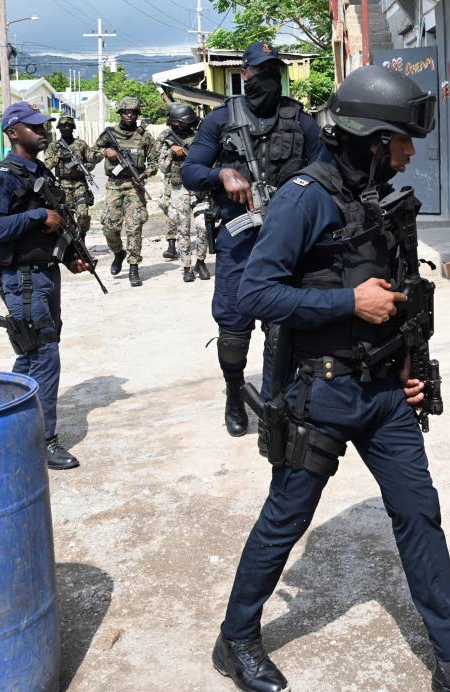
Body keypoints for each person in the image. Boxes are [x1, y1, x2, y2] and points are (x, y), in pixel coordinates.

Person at [211, 65, 450, 692]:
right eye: (400, 140)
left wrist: (411, 369)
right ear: (367, 137)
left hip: (387, 393)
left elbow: (401, 296)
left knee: (420, 514)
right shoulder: (305, 196)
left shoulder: (380, 196)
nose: (410, 153)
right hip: (322, 393)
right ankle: (237, 638)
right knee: (286, 518)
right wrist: (346, 303)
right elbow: (257, 291)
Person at [182, 41, 327, 437]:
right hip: (239, 240)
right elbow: (190, 170)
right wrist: (222, 176)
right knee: (233, 330)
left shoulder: (300, 120)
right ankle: (234, 393)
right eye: (259, 71)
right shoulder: (220, 120)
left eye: (273, 71)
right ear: (244, 73)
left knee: (282, 329)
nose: (266, 79)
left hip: (289, 243)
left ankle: (272, 407)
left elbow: (326, 172)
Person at [0, 102, 90, 470]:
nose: (42, 131)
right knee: (43, 355)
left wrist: (69, 255)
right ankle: (42, 442)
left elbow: (53, 225)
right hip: (22, 279)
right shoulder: (2, 176)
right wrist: (39, 215)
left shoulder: (38, 170)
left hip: (43, 274)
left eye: (44, 125)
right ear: (13, 132)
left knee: (31, 354)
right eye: (33, 126)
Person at [96, 96, 158, 287]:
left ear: (137, 115)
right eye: (126, 112)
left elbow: (154, 163)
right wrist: (106, 152)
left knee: (134, 227)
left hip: (134, 186)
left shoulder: (145, 136)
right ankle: (118, 253)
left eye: (133, 112)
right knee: (110, 228)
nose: (129, 115)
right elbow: (91, 155)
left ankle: (133, 268)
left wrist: (144, 174)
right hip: (114, 185)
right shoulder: (109, 134)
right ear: (121, 114)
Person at [158, 103, 210, 282]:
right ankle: (186, 266)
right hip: (179, 189)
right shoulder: (167, 142)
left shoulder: (199, 138)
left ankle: (201, 262)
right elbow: (163, 168)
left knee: (203, 226)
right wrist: (172, 153)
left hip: (199, 189)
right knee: (183, 230)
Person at [44, 115, 100, 240]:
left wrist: (85, 166)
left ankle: (82, 236)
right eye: (63, 126)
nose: (66, 128)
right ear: (59, 128)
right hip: (63, 185)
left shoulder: (80, 144)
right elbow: (47, 165)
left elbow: (92, 161)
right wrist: (59, 156)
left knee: (83, 214)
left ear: (73, 128)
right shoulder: (54, 146)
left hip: (79, 183)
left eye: (69, 126)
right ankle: (72, 243)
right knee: (67, 217)